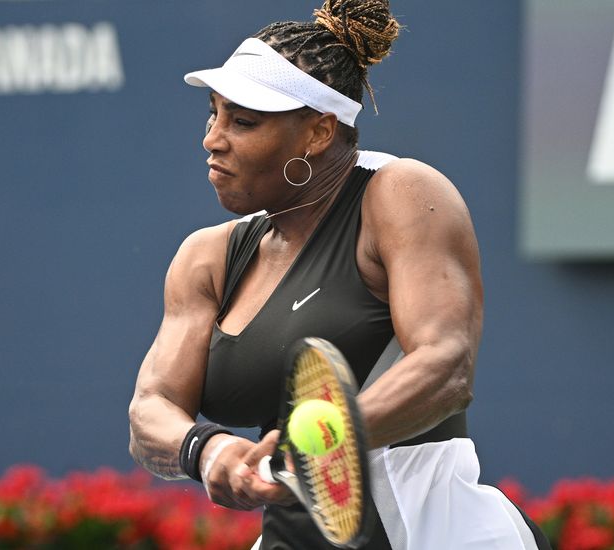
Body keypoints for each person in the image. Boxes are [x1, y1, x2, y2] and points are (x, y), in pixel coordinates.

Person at [129, 1, 551, 548]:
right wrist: (210, 451)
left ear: (318, 132)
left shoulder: (402, 194)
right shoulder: (206, 258)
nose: (213, 138)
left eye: (243, 121)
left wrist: (328, 438)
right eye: (213, 113)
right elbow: (151, 408)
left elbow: (446, 364)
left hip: (440, 533)